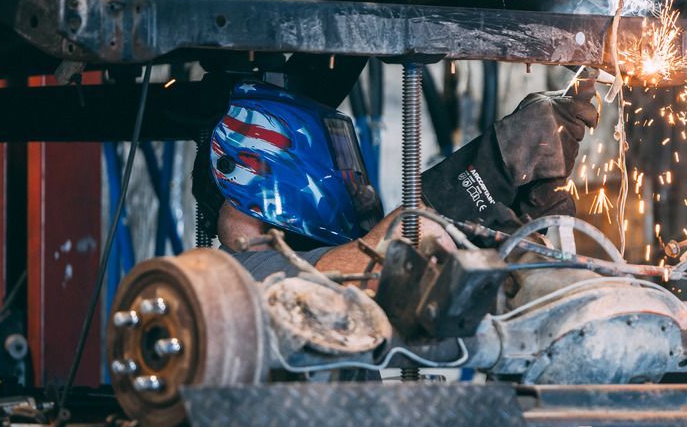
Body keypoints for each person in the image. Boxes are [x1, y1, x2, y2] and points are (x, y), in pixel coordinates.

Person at [192, 76, 599, 281]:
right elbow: (400, 246)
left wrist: (528, 246)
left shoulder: (305, 256)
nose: (355, 184)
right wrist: (496, 161)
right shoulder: (237, 277)